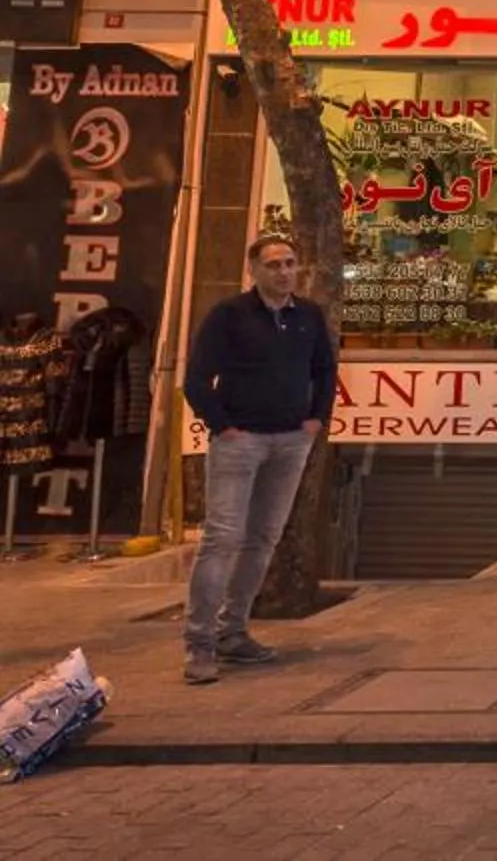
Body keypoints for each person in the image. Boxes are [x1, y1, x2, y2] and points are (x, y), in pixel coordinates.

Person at [181, 235, 336, 685]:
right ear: (254, 271)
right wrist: (224, 425)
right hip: (240, 442)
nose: (283, 272)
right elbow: (195, 378)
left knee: (263, 538)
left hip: (291, 440)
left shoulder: (307, 316)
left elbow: (324, 369)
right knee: (222, 539)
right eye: (273, 265)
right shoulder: (229, 316)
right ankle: (200, 643)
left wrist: (315, 419)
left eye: (289, 263)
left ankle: (234, 632)